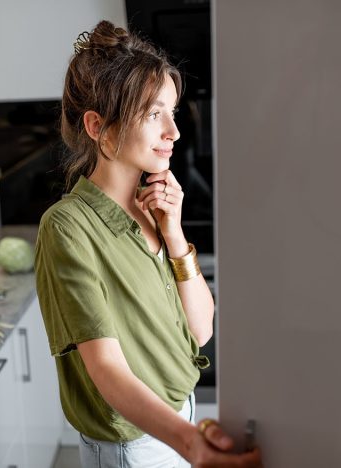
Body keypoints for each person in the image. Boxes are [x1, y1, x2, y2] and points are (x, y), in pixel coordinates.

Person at [34, 20, 263, 468]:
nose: (173, 132)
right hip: (133, 447)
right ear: (99, 126)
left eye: (172, 112)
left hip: (180, 420)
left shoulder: (152, 209)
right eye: (154, 113)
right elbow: (108, 372)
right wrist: (190, 443)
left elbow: (202, 330)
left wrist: (174, 235)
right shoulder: (66, 228)